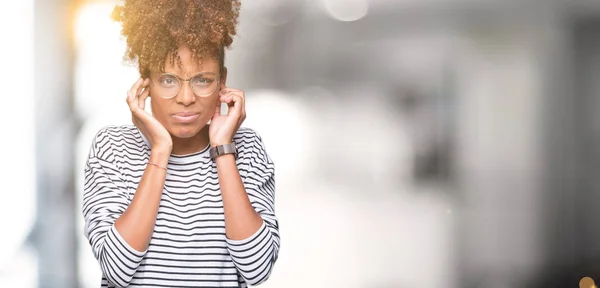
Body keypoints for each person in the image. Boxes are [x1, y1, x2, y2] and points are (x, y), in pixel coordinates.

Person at [81, 1, 280, 287]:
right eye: (168, 80)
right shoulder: (112, 147)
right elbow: (117, 269)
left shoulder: (245, 148)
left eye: (202, 80)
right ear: (146, 82)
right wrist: (160, 151)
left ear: (222, 83)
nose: (186, 97)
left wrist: (223, 150)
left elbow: (257, 269)